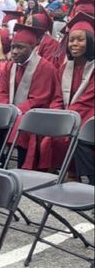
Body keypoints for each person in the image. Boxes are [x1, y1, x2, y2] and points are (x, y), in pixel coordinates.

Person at [0, 23, 59, 167]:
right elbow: (1, 91)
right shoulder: (10, 65)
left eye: (20, 47)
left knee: (21, 123)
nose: (14, 51)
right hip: (13, 111)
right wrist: (5, 109)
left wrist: (16, 111)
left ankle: (22, 169)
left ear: (32, 49)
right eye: (13, 47)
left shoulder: (45, 67)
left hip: (35, 114)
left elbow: (40, 98)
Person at [50, 12, 95, 181]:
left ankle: (89, 180)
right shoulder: (63, 69)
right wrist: (57, 112)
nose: (74, 44)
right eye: (71, 40)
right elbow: (57, 97)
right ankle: (71, 174)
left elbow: (88, 101)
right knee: (51, 132)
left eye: (80, 39)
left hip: (90, 117)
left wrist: (66, 117)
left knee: (77, 137)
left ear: (90, 42)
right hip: (71, 116)